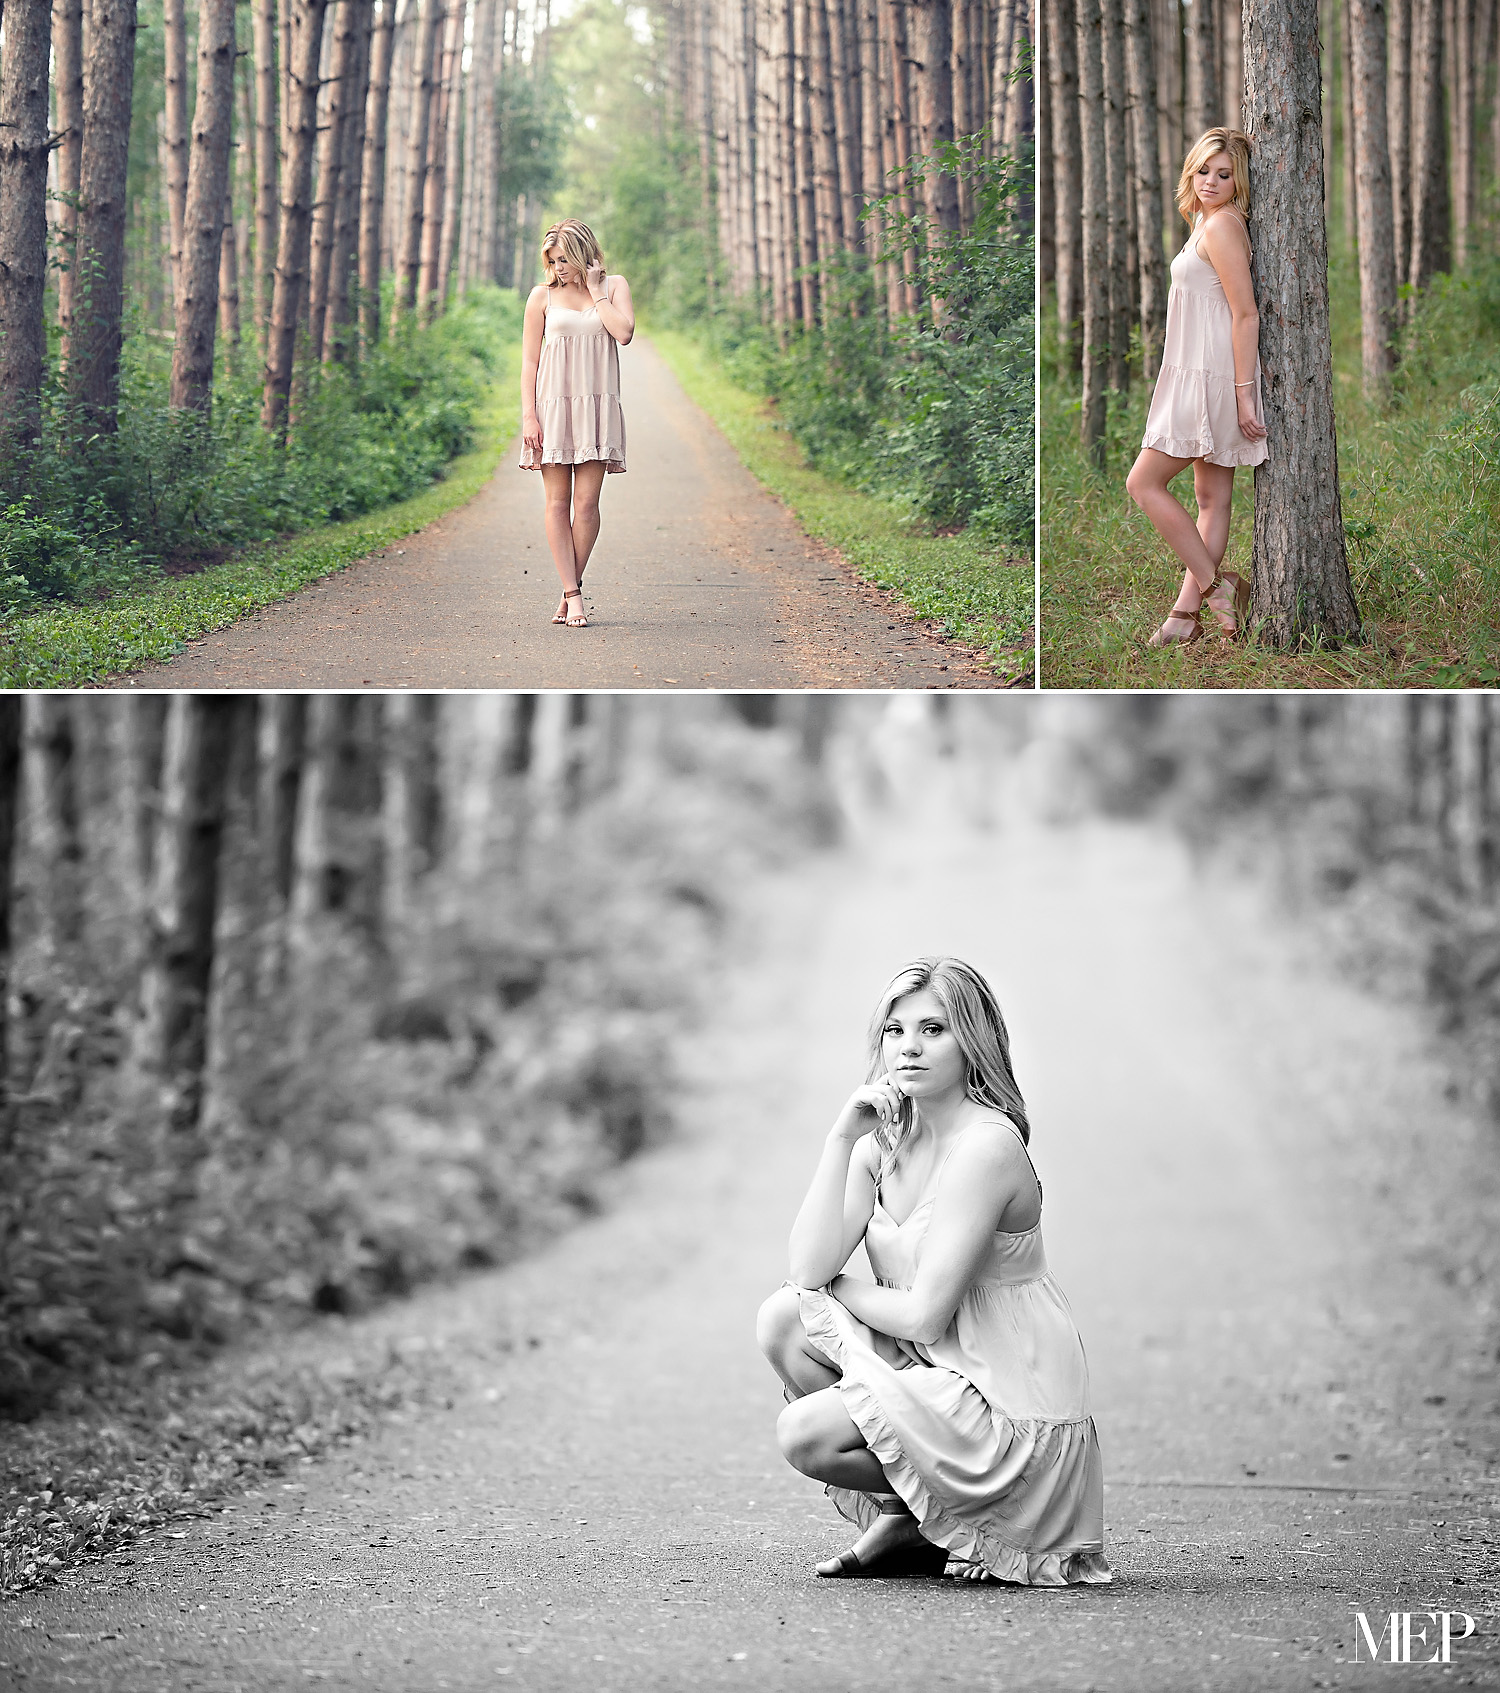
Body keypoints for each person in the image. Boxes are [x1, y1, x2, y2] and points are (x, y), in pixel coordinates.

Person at [755, 957, 1112, 1586]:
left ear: (972, 1042)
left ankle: (979, 1517)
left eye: (933, 1030)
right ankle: (908, 1520)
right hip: (938, 1370)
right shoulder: (882, 1143)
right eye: (894, 1031)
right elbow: (805, 1267)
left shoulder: (986, 1148)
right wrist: (841, 1141)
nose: (909, 1048)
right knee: (783, 1321)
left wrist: (836, 1288)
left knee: (806, 1435)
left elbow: (922, 1315)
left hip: (1004, 1401)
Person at [1125, 127, 1268, 648]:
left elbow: (1245, 313)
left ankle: (1213, 587)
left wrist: (1243, 392)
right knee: (1211, 498)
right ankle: (1185, 616)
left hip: (1210, 378)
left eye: (1224, 174)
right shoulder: (1205, 221)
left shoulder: (1224, 227)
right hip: (1195, 371)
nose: (1211, 180)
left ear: (1240, 180)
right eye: (1203, 170)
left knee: (1143, 483)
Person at [519, 219, 635, 629]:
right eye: (553, 261)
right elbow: (530, 361)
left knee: (586, 506)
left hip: (596, 409)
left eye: (565, 259)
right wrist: (529, 415)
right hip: (552, 407)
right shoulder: (542, 297)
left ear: (584, 252)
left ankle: (569, 586)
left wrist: (598, 291)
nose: (559, 268)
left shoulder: (615, 286)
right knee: (556, 503)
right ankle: (573, 595)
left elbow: (623, 333)